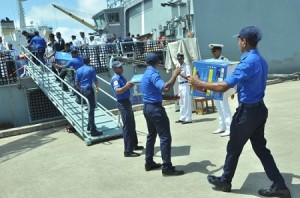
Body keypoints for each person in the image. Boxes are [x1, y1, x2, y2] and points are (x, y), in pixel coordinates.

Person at [189, 26, 291, 198]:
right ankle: (280, 185)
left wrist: (198, 83)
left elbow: (222, 86)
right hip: (259, 109)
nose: (237, 42)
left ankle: (225, 181)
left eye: (239, 40)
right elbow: (251, 83)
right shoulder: (260, 60)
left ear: (244, 41)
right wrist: (236, 92)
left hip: (248, 113)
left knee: (234, 147)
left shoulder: (246, 62)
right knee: (260, 149)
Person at [141, 53, 184, 176]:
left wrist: (172, 97)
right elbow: (165, 88)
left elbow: (156, 93)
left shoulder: (145, 74)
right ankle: (167, 167)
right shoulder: (154, 74)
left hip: (147, 108)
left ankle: (148, 162)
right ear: (157, 63)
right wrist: (175, 74)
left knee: (151, 135)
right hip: (155, 110)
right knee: (165, 137)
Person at [110, 61, 144, 157]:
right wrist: (127, 86)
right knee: (127, 126)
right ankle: (128, 150)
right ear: (114, 69)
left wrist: (129, 85)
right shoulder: (115, 79)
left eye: (121, 66)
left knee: (131, 123)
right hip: (122, 102)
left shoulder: (121, 77)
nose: (121, 68)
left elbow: (124, 88)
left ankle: (134, 144)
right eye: (119, 67)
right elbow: (118, 91)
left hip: (126, 101)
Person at [208, 43, 232, 137]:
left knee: (225, 108)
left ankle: (229, 128)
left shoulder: (225, 60)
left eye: (214, 51)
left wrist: (231, 89)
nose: (213, 53)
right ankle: (222, 126)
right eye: (212, 52)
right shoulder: (213, 61)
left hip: (223, 87)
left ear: (219, 51)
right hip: (215, 87)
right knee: (218, 107)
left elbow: (229, 74)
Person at [75, 56, 102, 137]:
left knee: (89, 108)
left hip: (82, 90)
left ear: (83, 62)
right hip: (88, 90)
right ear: (89, 61)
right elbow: (95, 80)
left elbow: (76, 83)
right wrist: (97, 88)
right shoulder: (91, 69)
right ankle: (93, 130)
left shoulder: (78, 70)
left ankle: (89, 126)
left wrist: (80, 89)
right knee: (91, 109)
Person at [175, 53, 192, 124]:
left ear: (183, 58)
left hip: (185, 84)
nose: (180, 60)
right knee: (181, 102)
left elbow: (188, 78)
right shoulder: (178, 66)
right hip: (180, 85)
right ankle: (182, 117)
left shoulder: (186, 66)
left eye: (181, 59)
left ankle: (188, 118)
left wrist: (180, 74)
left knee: (186, 102)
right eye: (178, 59)